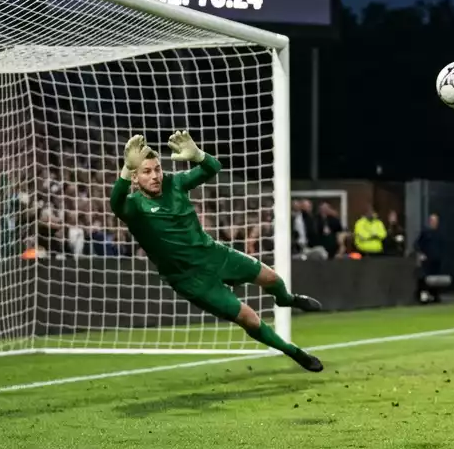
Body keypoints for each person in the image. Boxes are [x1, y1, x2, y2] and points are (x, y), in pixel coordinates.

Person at [110, 133, 324, 372]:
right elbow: (115, 202)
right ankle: (294, 352)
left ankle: (287, 299)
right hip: (190, 278)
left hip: (214, 254)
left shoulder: (175, 183)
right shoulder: (134, 207)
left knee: (272, 278)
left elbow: (212, 168)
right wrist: (125, 171)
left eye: (157, 169)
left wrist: (199, 155)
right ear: (136, 178)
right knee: (248, 318)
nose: (155, 176)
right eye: (147, 171)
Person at [416, 213, 446, 304]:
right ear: (430, 222)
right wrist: (421, 254)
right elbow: (417, 244)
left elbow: (443, 245)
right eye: (433, 221)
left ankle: (435, 296)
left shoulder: (440, 233)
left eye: (436, 221)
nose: (434, 223)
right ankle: (424, 297)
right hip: (427, 259)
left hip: (437, 259)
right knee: (425, 279)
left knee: (436, 279)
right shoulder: (425, 233)